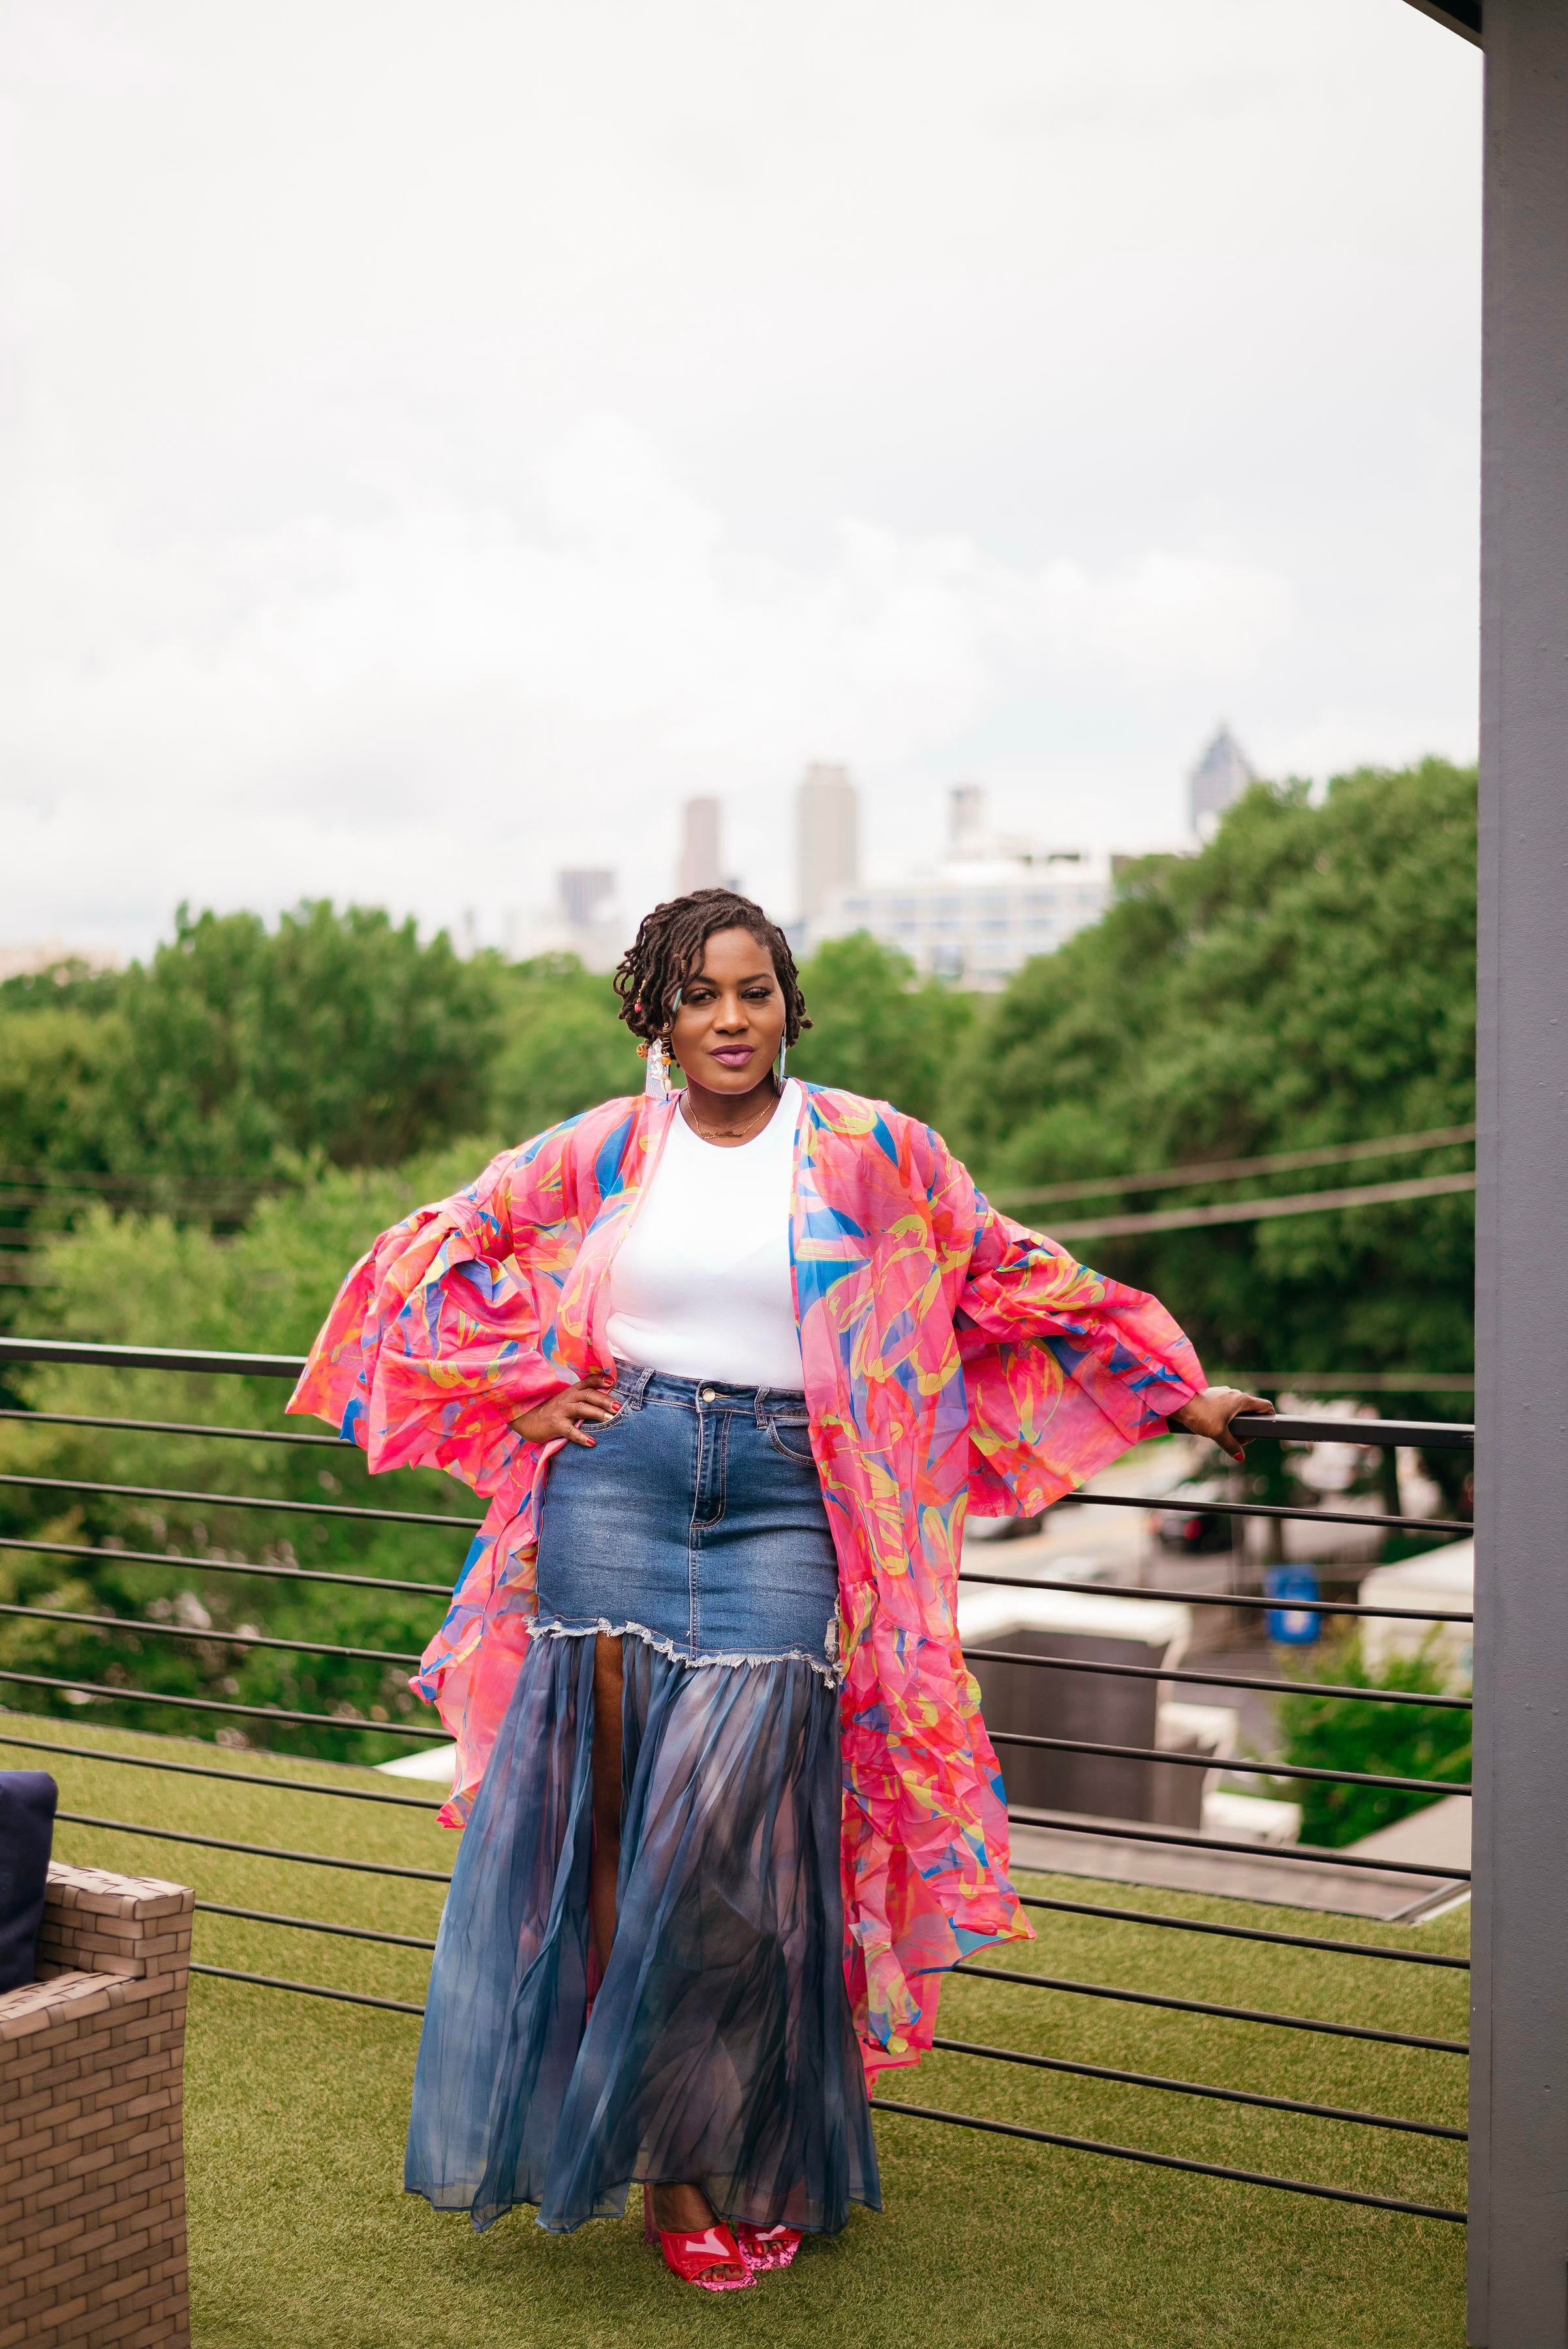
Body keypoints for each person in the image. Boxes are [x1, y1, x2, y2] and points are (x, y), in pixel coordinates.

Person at [290, 887, 1268, 2292]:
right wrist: (526, 1385)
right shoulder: (608, 1149)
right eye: (699, 996)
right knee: (621, 1848)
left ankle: (728, 2133)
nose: (729, 1020)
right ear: (658, 1016)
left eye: (752, 992)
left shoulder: (873, 1151)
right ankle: (675, 2176)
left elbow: (1003, 1278)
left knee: (736, 1857)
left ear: (785, 1004)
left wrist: (1174, 1394)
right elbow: (429, 1256)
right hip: (613, 1489)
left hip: (787, 1507)